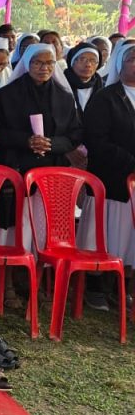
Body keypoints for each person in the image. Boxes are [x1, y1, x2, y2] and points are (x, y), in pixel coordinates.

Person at [0, 44, 82, 252]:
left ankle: (38, 266)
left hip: (51, 168)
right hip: (15, 165)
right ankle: (10, 267)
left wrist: (51, 144)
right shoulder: (6, 95)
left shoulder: (64, 97)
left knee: (42, 222)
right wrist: (26, 140)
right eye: (38, 62)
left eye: (49, 63)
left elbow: (74, 135)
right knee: (13, 222)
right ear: (27, 64)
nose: (43, 68)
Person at [82, 43, 135, 306]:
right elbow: (97, 140)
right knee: (107, 234)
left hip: (133, 185)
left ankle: (121, 286)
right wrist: (131, 162)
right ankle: (96, 285)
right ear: (119, 64)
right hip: (111, 181)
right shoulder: (105, 98)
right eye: (133, 59)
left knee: (129, 238)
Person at [64, 43, 103, 120]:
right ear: (72, 62)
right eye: (82, 59)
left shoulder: (102, 87)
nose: (88, 64)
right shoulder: (60, 84)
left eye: (93, 60)